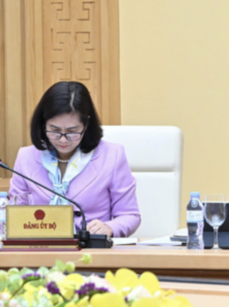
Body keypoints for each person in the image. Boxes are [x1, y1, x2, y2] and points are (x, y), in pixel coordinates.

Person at [9, 81, 141, 238]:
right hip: (40, 250)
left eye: (72, 131)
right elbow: (15, 216)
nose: (63, 140)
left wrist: (109, 227)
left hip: (90, 253)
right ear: (43, 124)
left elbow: (130, 215)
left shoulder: (112, 156)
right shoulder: (26, 157)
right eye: (54, 130)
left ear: (86, 124)